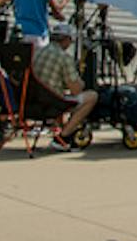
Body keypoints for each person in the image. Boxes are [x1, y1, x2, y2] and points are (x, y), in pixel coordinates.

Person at [30, 21, 99, 149]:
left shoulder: (37, 52)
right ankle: (64, 136)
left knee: (57, 92)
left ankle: (61, 133)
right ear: (66, 39)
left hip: (33, 101)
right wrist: (81, 81)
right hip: (51, 103)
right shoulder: (64, 58)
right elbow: (76, 90)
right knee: (91, 96)